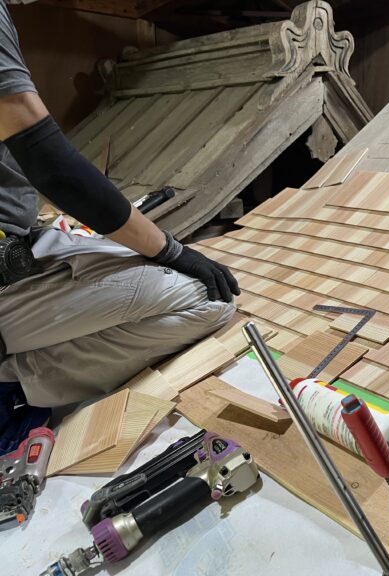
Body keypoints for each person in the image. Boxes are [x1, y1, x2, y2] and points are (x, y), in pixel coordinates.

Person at [0, 5, 239, 453]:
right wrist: (172, 251)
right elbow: (53, 168)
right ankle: (13, 377)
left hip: (18, 244)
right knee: (209, 303)